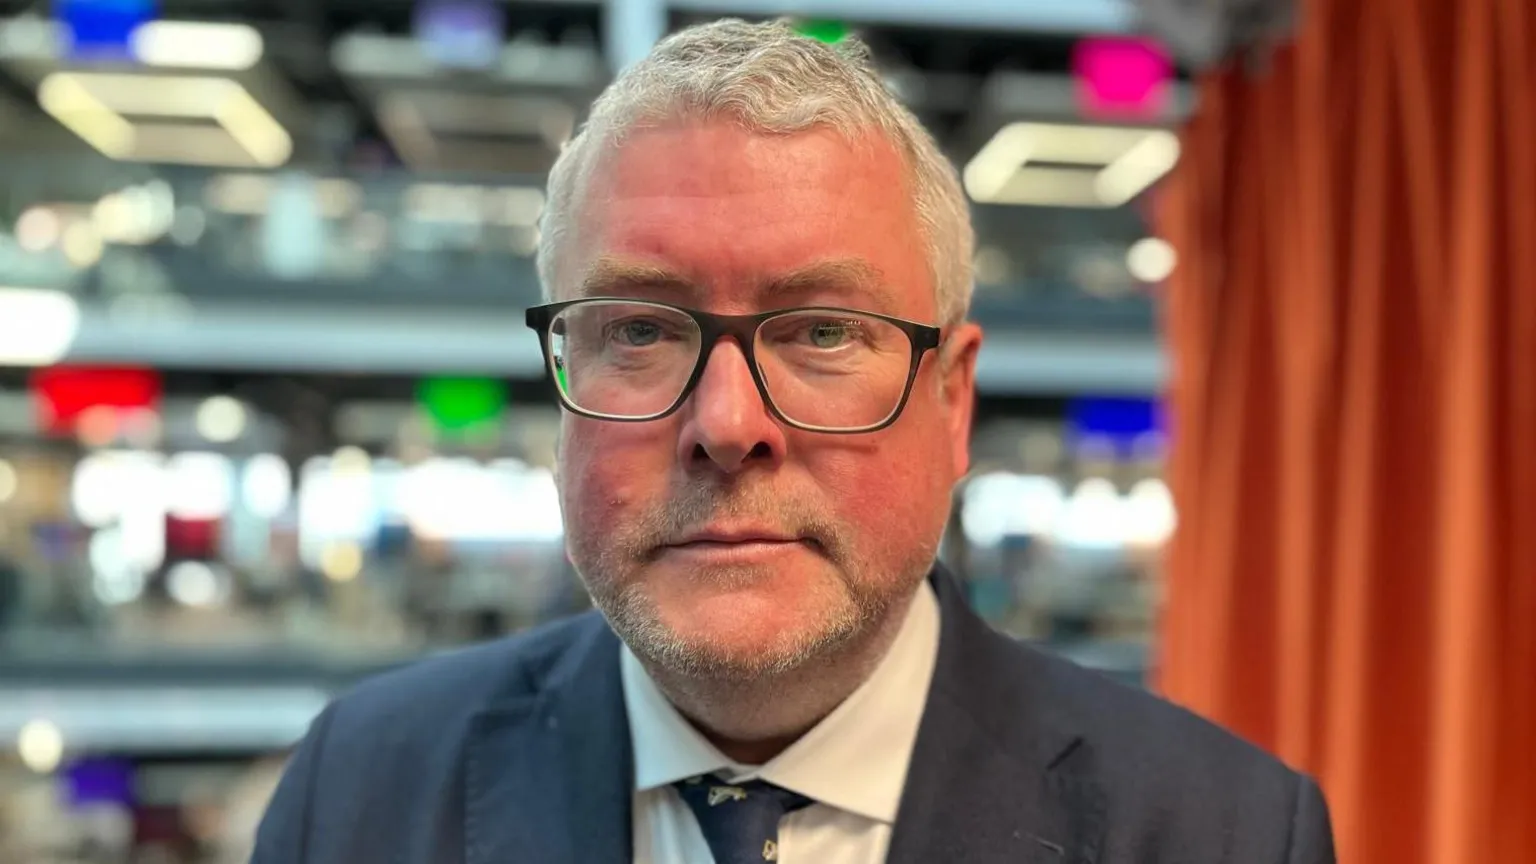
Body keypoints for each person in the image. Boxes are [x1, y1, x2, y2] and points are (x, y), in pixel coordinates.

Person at [252, 19, 1335, 864]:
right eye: (638, 328)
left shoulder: (1221, 830)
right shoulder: (358, 794)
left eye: (823, 331)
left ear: (951, 403)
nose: (727, 426)